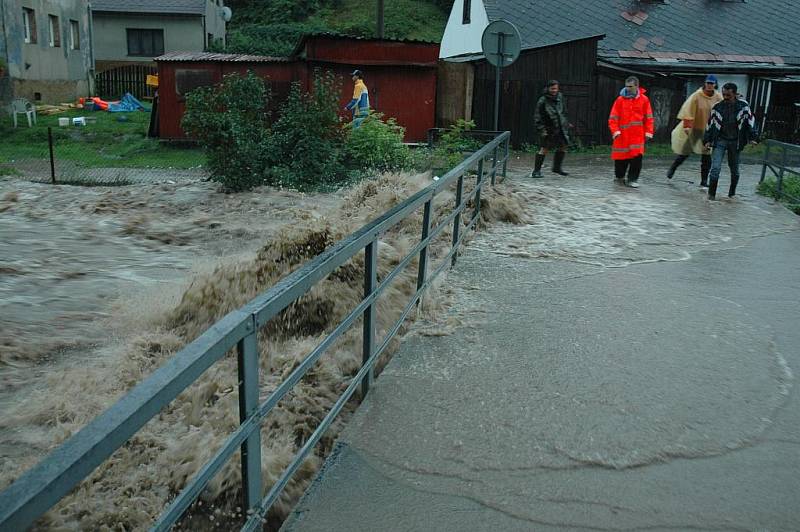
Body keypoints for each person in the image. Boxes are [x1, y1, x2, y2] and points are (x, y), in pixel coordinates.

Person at [703, 82, 758, 200]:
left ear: (734, 94)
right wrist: (707, 140)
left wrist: (753, 138)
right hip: (720, 140)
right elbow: (710, 125)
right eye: (724, 94)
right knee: (715, 167)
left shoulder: (743, 106)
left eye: (728, 95)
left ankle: (732, 194)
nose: (725, 97)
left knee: (734, 169)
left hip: (736, 141)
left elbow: (750, 122)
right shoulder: (717, 106)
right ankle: (711, 196)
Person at [667, 74, 723, 187]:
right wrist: (687, 126)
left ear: (715, 84)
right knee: (685, 152)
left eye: (712, 83)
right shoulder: (697, 96)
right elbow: (688, 110)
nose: (709, 85)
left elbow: (722, 111)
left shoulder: (718, 97)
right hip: (695, 128)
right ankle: (673, 168)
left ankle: (704, 181)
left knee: (706, 156)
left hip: (708, 130)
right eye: (708, 83)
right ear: (705, 83)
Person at [608, 76, 654, 188]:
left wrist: (649, 132)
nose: (628, 88)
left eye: (630, 86)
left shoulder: (644, 100)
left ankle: (633, 179)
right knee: (621, 158)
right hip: (622, 136)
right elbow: (613, 118)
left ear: (637, 86)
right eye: (626, 86)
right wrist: (615, 132)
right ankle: (619, 177)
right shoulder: (620, 100)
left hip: (637, 137)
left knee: (636, 159)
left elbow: (649, 118)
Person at [531, 80, 571, 178]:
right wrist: (542, 129)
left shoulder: (560, 97)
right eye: (552, 88)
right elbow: (537, 116)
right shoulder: (543, 100)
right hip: (548, 127)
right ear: (548, 88)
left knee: (563, 146)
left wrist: (566, 122)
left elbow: (564, 110)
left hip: (560, 127)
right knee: (544, 149)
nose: (554, 91)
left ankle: (557, 168)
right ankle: (536, 171)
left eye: (556, 89)